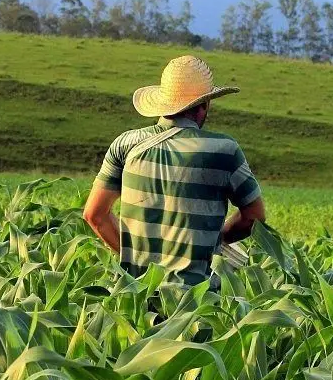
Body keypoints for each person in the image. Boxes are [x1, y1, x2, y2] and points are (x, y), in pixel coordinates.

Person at [83, 55, 266, 287]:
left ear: (163, 102)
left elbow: (95, 215)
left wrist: (134, 259)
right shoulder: (223, 150)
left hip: (135, 294)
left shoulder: (125, 144)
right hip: (195, 301)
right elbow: (254, 217)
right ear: (204, 104)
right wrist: (215, 240)